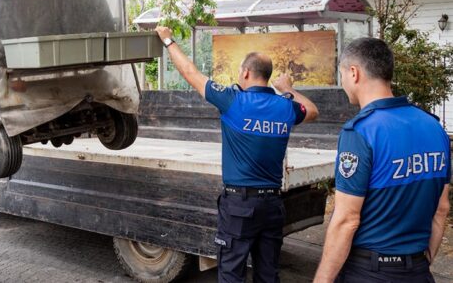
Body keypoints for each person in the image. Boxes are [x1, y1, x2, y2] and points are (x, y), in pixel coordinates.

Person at [155, 26, 319, 282]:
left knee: (232, 273)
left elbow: (190, 73)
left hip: (240, 207)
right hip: (273, 206)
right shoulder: (285, 107)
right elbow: (312, 110)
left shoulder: (233, 100)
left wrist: (167, 40)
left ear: (245, 72)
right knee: (268, 274)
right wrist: (287, 88)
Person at [314, 38, 450, 283]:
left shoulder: (361, 132)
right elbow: (441, 210)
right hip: (418, 271)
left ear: (354, 73)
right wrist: (420, 263)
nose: (343, 82)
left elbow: (347, 220)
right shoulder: (433, 126)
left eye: (342, 74)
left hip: (370, 272)